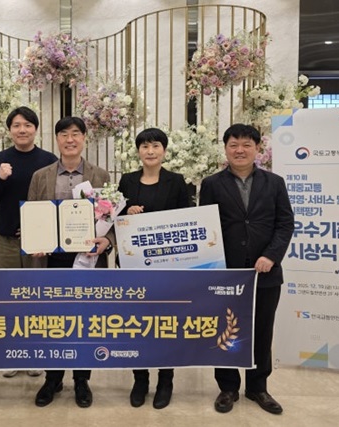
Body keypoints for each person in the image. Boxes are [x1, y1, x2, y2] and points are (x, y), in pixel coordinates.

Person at [199, 123, 294, 415]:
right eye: (233, 145)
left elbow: (285, 223)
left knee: (262, 331)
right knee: (225, 330)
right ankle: (227, 387)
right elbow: (206, 227)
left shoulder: (274, 182)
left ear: (257, 148)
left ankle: (258, 387)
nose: (239, 150)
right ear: (225, 148)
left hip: (265, 273)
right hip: (225, 273)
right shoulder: (212, 184)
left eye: (246, 145)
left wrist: (271, 256)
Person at [28, 116, 114, 409]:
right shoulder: (40, 176)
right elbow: (33, 216)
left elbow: (112, 220)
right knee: (53, 320)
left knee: (85, 320)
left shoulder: (100, 175)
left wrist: (107, 240)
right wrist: (35, 240)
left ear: (84, 138)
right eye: (63, 134)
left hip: (87, 259)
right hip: (52, 261)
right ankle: (52, 379)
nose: (70, 139)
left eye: (75, 133)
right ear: (57, 140)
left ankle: (81, 379)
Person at [117, 128, 189, 409]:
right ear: (138, 151)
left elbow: (186, 220)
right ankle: (140, 379)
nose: (150, 151)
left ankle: (165, 380)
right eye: (145, 146)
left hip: (167, 266)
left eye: (155, 145)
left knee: (165, 324)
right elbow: (112, 219)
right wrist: (126, 212)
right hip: (132, 265)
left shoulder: (177, 181)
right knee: (136, 324)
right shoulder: (126, 180)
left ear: (164, 150)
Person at [0, 106, 57, 378]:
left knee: (37, 297)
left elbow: (53, 201)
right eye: (16, 125)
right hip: (6, 239)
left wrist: (41, 233)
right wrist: (0, 178)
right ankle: (12, 353)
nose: (22, 130)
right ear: (9, 130)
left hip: (38, 243)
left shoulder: (49, 160)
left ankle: (35, 353)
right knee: (7, 296)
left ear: (35, 129)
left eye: (27, 125)